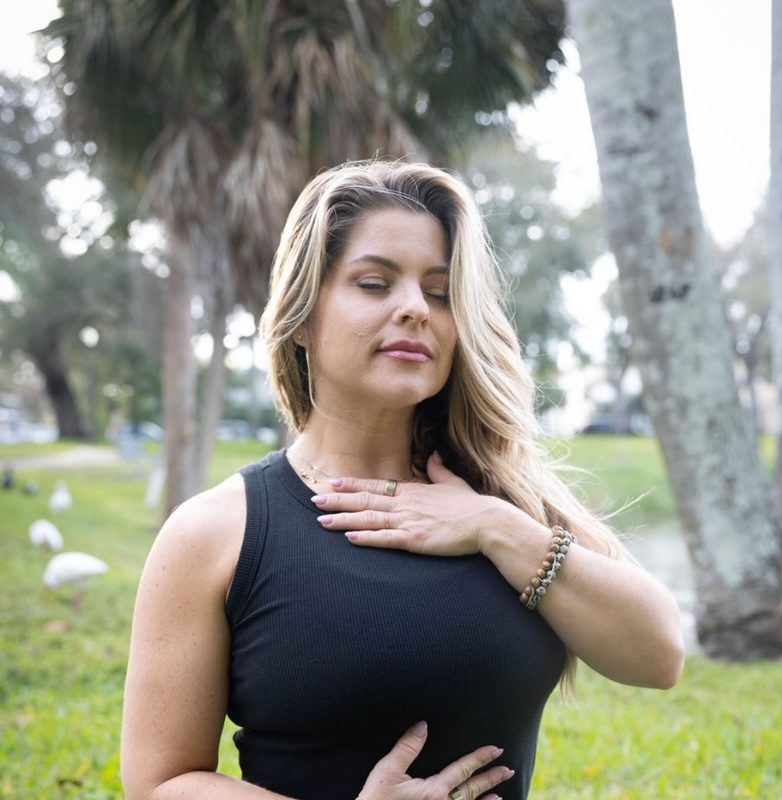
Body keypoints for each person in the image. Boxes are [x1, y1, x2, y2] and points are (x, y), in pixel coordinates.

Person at [121, 160, 685, 800]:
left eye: (441, 293)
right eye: (373, 283)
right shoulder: (218, 532)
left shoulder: (502, 498)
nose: (415, 309)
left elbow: (659, 655)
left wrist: (493, 527)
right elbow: (159, 782)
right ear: (303, 318)